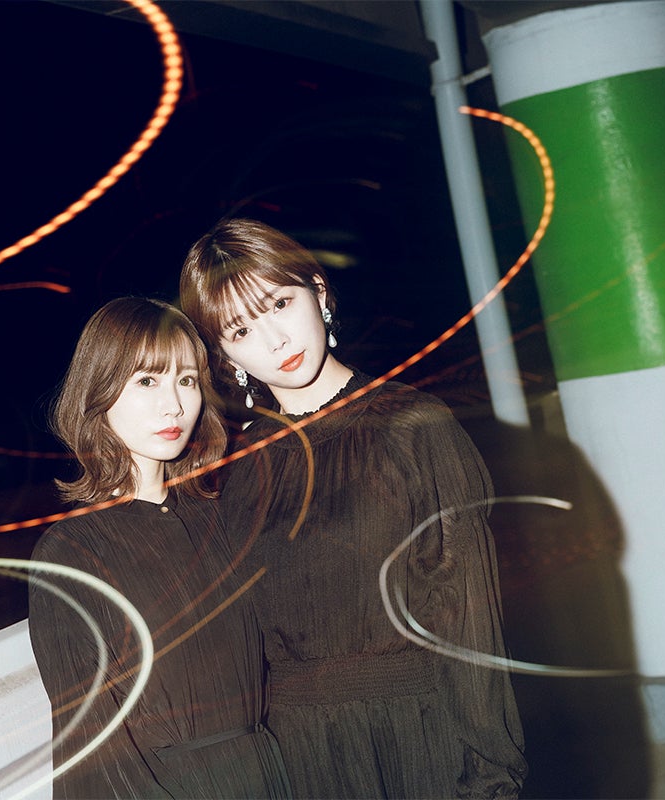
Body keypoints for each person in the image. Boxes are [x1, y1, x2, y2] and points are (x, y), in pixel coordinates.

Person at [179, 218, 527, 799]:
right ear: (224, 353)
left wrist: (491, 778)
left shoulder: (413, 426)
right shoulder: (234, 469)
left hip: (419, 738)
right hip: (300, 757)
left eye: (280, 304)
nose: (275, 341)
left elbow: (469, 624)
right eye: (240, 330)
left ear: (318, 292)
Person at [27, 297, 292, 799]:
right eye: (147, 381)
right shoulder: (71, 553)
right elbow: (95, 753)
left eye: (186, 380)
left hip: (272, 775)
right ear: (99, 392)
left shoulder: (222, 515)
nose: (173, 405)